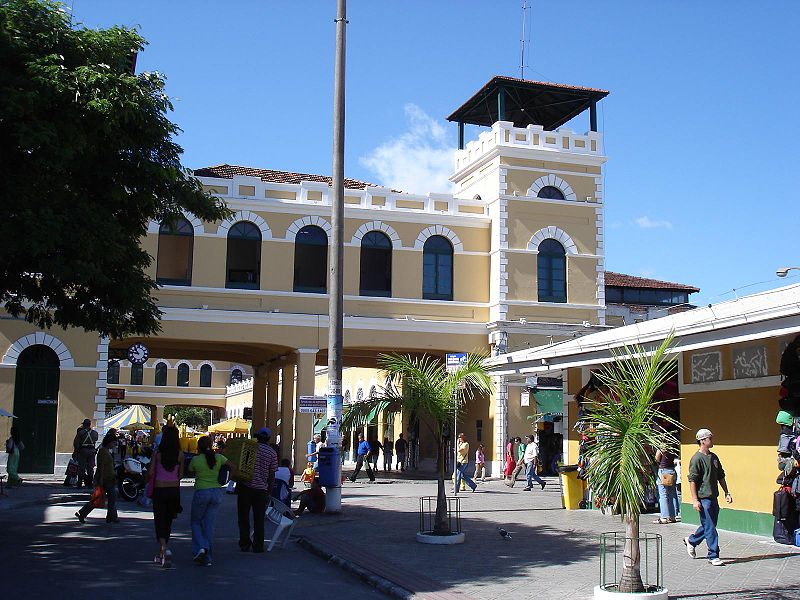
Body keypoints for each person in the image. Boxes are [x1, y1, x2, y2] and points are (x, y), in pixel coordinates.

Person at [683, 428, 733, 567]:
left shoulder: (714, 457)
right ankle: (713, 555)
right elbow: (692, 480)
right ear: (703, 441)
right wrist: (695, 500)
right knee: (710, 527)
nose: (712, 440)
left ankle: (692, 541)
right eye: (710, 438)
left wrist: (726, 492)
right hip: (703, 499)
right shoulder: (697, 459)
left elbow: (721, 476)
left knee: (709, 526)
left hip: (713, 497)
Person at [188, 435, 231, 567]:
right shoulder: (219, 457)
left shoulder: (196, 460)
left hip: (202, 492)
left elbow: (190, 470)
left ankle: (201, 547)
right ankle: (208, 557)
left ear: (198, 447)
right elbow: (232, 466)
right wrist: (227, 480)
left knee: (195, 522)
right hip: (216, 492)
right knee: (209, 525)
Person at [237, 427, 278, 553]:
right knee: (259, 519)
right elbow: (272, 475)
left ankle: (244, 543)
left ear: (257, 436)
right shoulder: (272, 453)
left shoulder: (249, 448)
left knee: (243, 517)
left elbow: (241, 466)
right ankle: (258, 545)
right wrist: (269, 491)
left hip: (245, 487)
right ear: (268, 438)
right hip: (261, 490)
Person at [148, 425, 184, 568]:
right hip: (174, 491)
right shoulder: (180, 454)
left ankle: (164, 548)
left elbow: (151, 472)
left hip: (160, 490)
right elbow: (181, 475)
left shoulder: (157, 454)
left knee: (159, 520)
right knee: (168, 521)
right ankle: (161, 552)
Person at [75, 430, 119, 524]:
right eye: (114, 443)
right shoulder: (103, 452)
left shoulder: (106, 451)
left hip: (109, 478)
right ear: (109, 442)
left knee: (109, 497)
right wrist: (101, 480)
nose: (114, 445)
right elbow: (101, 466)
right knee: (102, 498)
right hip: (105, 479)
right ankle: (111, 517)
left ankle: (111, 516)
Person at [654, 446, 679, 524]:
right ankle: (672, 516)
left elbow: (657, 458)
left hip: (664, 471)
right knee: (672, 494)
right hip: (672, 470)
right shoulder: (673, 445)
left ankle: (664, 517)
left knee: (663, 495)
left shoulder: (661, 446)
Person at [73, 419, 98, 488]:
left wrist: (76, 452)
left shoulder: (80, 433)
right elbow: (95, 440)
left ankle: (80, 483)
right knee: (90, 467)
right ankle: (90, 483)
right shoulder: (95, 433)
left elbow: (76, 443)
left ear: (84, 425)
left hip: (83, 451)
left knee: (82, 467)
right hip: (92, 451)